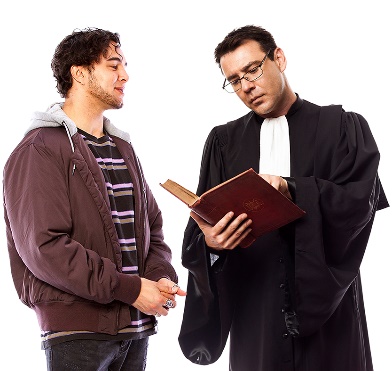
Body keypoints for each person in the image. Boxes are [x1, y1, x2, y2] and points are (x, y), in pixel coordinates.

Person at [178, 25, 389, 371]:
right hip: (256, 315)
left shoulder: (341, 128)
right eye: (234, 80)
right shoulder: (223, 142)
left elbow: (358, 203)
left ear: (279, 58)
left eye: (252, 70)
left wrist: (292, 189)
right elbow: (200, 229)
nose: (246, 86)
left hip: (330, 312)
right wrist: (212, 244)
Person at [3, 27, 186, 371]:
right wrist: (131, 289)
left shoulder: (122, 148)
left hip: (135, 331)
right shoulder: (40, 149)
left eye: (125, 65)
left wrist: (159, 277)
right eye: (113, 66)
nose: (125, 76)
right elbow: (46, 247)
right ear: (80, 73)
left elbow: (153, 229)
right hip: (77, 333)